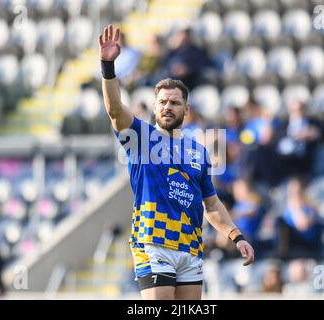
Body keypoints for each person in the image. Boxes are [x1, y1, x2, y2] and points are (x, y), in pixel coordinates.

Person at [98, 24, 254, 300]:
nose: (167, 106)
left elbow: (212, 204)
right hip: (153, 242)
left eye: (174, 102)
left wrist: (236, 236)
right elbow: (113, 108)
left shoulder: (198, 152)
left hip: (189, 247)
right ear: (155, 107)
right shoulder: (140, 137)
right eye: (162, 102)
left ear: (186, 109)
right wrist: (108, 66)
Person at [276, 177, 324, 260]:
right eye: (291, 193)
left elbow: (303, 226)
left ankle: (282, 255)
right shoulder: (288, 208)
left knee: (281, 222)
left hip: (307, 244)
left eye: (297, 192)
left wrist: (296, 207)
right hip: (292, 243)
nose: (294, 195)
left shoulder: (310, 207)